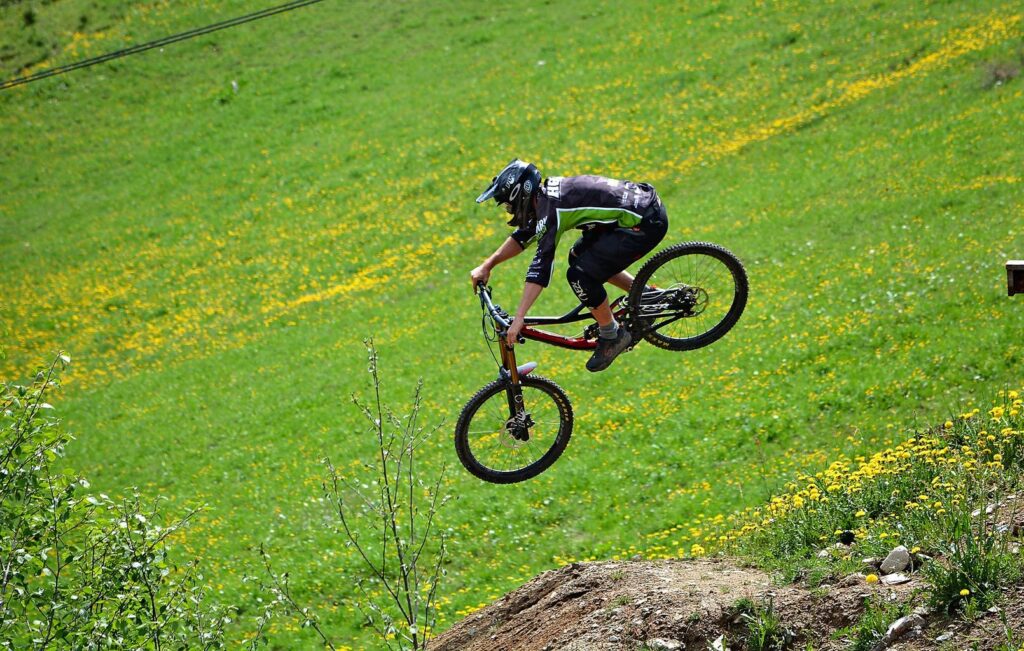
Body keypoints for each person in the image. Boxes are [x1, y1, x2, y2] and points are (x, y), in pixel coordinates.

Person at [470, 159, 668, 372]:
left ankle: (612, 335)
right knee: (579, 257)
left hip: (644, 223)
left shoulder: (551, 211)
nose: (510, 211)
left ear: (521, 194)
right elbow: (524, 236)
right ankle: (646, 295)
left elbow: (541, 267)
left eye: (509, 205)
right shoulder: (546, 199)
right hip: (641, 210)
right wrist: (487, 265)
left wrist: (519, 319)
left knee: (579, 275)